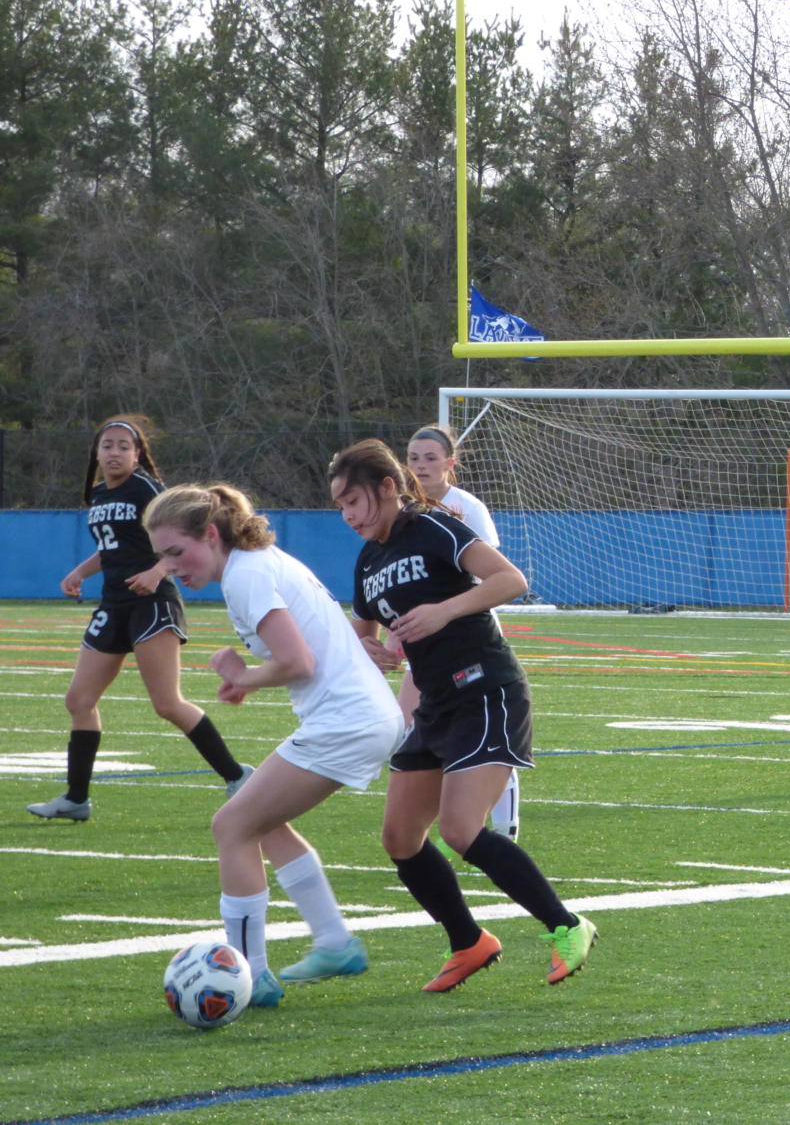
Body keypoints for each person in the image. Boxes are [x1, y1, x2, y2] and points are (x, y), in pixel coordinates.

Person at [328, 439, 596, 990]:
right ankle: (468, 942)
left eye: (353, 501)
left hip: (486, 692)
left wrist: (442, 610)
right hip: (434, 705)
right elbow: (363, 633)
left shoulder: (435, 527)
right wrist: (372, 652)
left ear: (386, 488)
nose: (348, 515)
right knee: (400, 837)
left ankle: (567, 926)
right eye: (339, 507)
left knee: (460, 830)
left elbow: (510, 580)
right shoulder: (368, 560)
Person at [144, 483, 404, 1007]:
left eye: (176, 551)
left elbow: (299, 662)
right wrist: (247, 680)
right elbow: (301, 658)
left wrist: (244, 674)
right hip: (359, 717)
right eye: (161, 557)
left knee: (233, 825)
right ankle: (334, 942)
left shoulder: (246, 574)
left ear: (211, 534)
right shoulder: (253, 564)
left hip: (347, 721)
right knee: (258, 818)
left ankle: (250, 975)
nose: (170, 566)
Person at [26, 415, 249, 822]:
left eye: (124, 446)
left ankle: (237, 776)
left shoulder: (145, 488)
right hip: (113, 605)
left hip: (151, 602)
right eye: (107, 445)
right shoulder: (96, 494)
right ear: (96, 452)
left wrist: (158, 570)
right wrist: (81, 571)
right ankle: (76, 799)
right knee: (79, 700)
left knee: (166, 703)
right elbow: (113, 547)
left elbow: (183, 532)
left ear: (138, 453)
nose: (115, 452)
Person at [405, 423, 519, 841]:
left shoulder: (467, 507)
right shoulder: (403, 509)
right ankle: (427, 813)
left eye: (431, 458)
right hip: (424, 639)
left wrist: (445, 611)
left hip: (468, 636)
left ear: (450, 464)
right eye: (414, 458)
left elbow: (490, 578)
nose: (421, 466)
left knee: (483, 736)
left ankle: (504, 822)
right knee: (409, 724)